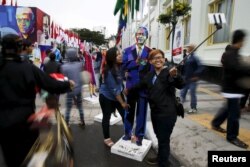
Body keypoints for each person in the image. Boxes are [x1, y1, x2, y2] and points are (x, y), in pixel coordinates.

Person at [0, 34, 74, 167]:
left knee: (11, 158)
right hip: (25, 121)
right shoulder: (27, 68)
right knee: (31, 156)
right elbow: (49, 83)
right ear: (19, 47)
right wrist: (68, 85)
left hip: (3, 125)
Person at [126, 49, 184, 167]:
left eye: (160, 57)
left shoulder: (169, 72)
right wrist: (128, 90)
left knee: (164, 140)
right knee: (159, 136)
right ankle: (161, 158)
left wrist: (176, 76)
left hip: (167, 113)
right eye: (155, 58)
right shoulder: (150, 75)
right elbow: (139, 85)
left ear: (164, 59)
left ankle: (163, 163)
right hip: (155, 113)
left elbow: (181, 84)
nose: (158, 60)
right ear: (151, 61)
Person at [211, 30, 249, 149]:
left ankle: (216, 123)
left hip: (233, 89)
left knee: (228, 109)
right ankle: (232, 136)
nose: (244, 43)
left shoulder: (234, 53)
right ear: (240, 40)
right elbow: (236, 69)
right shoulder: (231, 53)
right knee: (234, 114)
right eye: (243, 40)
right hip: (232, 89)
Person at [122, 26, 152, 146]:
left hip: (143, 88)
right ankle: (128, 133)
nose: (140, 36)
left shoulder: (150, 52)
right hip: (130, 87)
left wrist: (140, 62)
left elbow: (151, 68)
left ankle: (139, 136)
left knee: (142, 113)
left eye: (142, 34)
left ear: (146, 36)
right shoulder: (127, 50)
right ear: (135, 36)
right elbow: (124, 66)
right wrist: (138, 62)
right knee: (129, 111)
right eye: (138, 33)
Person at [99, 47, 129, 147]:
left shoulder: (120, 66)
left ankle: (128, 133)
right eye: (117, 54)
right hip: (106, 96)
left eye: (120, 53)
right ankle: (106, 138)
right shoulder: (108, 71)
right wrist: (122, 103)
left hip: (117, 93)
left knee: (125, 114)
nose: (120, 55)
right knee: (106, 117)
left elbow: (120, 82)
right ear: (112, 57)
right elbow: (114, 90)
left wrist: (124, 87)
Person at [61, 48, 85, 128]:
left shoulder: (64, 67)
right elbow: (81, 76)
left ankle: (67, 123)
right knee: (80, 106)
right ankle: (82, 120)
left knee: (68, 107)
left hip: (70, 89)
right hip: (78, 89)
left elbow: (64, 79)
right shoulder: (79, 65)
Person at [180, 44, 204, 114]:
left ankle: (193, 108)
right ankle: (181, 106)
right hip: (186, 79)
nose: (187, 49)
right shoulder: (188, 57)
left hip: (192, 80)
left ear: (192, 49)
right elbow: (185, 68)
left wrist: (196, 75)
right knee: (182, 93)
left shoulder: (195, 58)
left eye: (189, 47)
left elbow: (201, 67)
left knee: (192, 93)